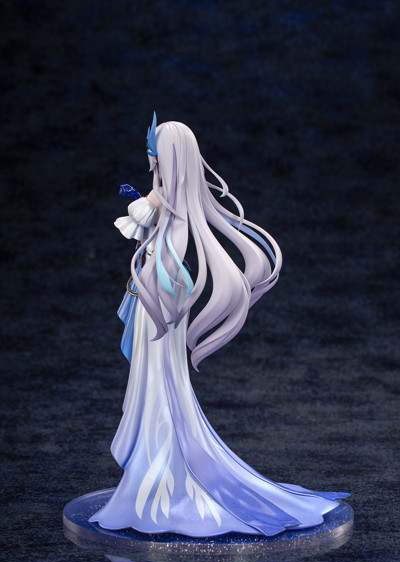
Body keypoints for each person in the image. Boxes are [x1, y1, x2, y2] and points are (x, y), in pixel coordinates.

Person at [88, 114, 349, 536]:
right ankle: (155, 472)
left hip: (164, 289)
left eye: (155, 152)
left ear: (169, 155)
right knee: (155, 381)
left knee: (162, 383)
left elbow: (158, 233)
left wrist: (147, 227)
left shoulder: (167, 199)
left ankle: (165, 481)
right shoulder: (167, 197)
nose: (150, 158)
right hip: (159, 286)